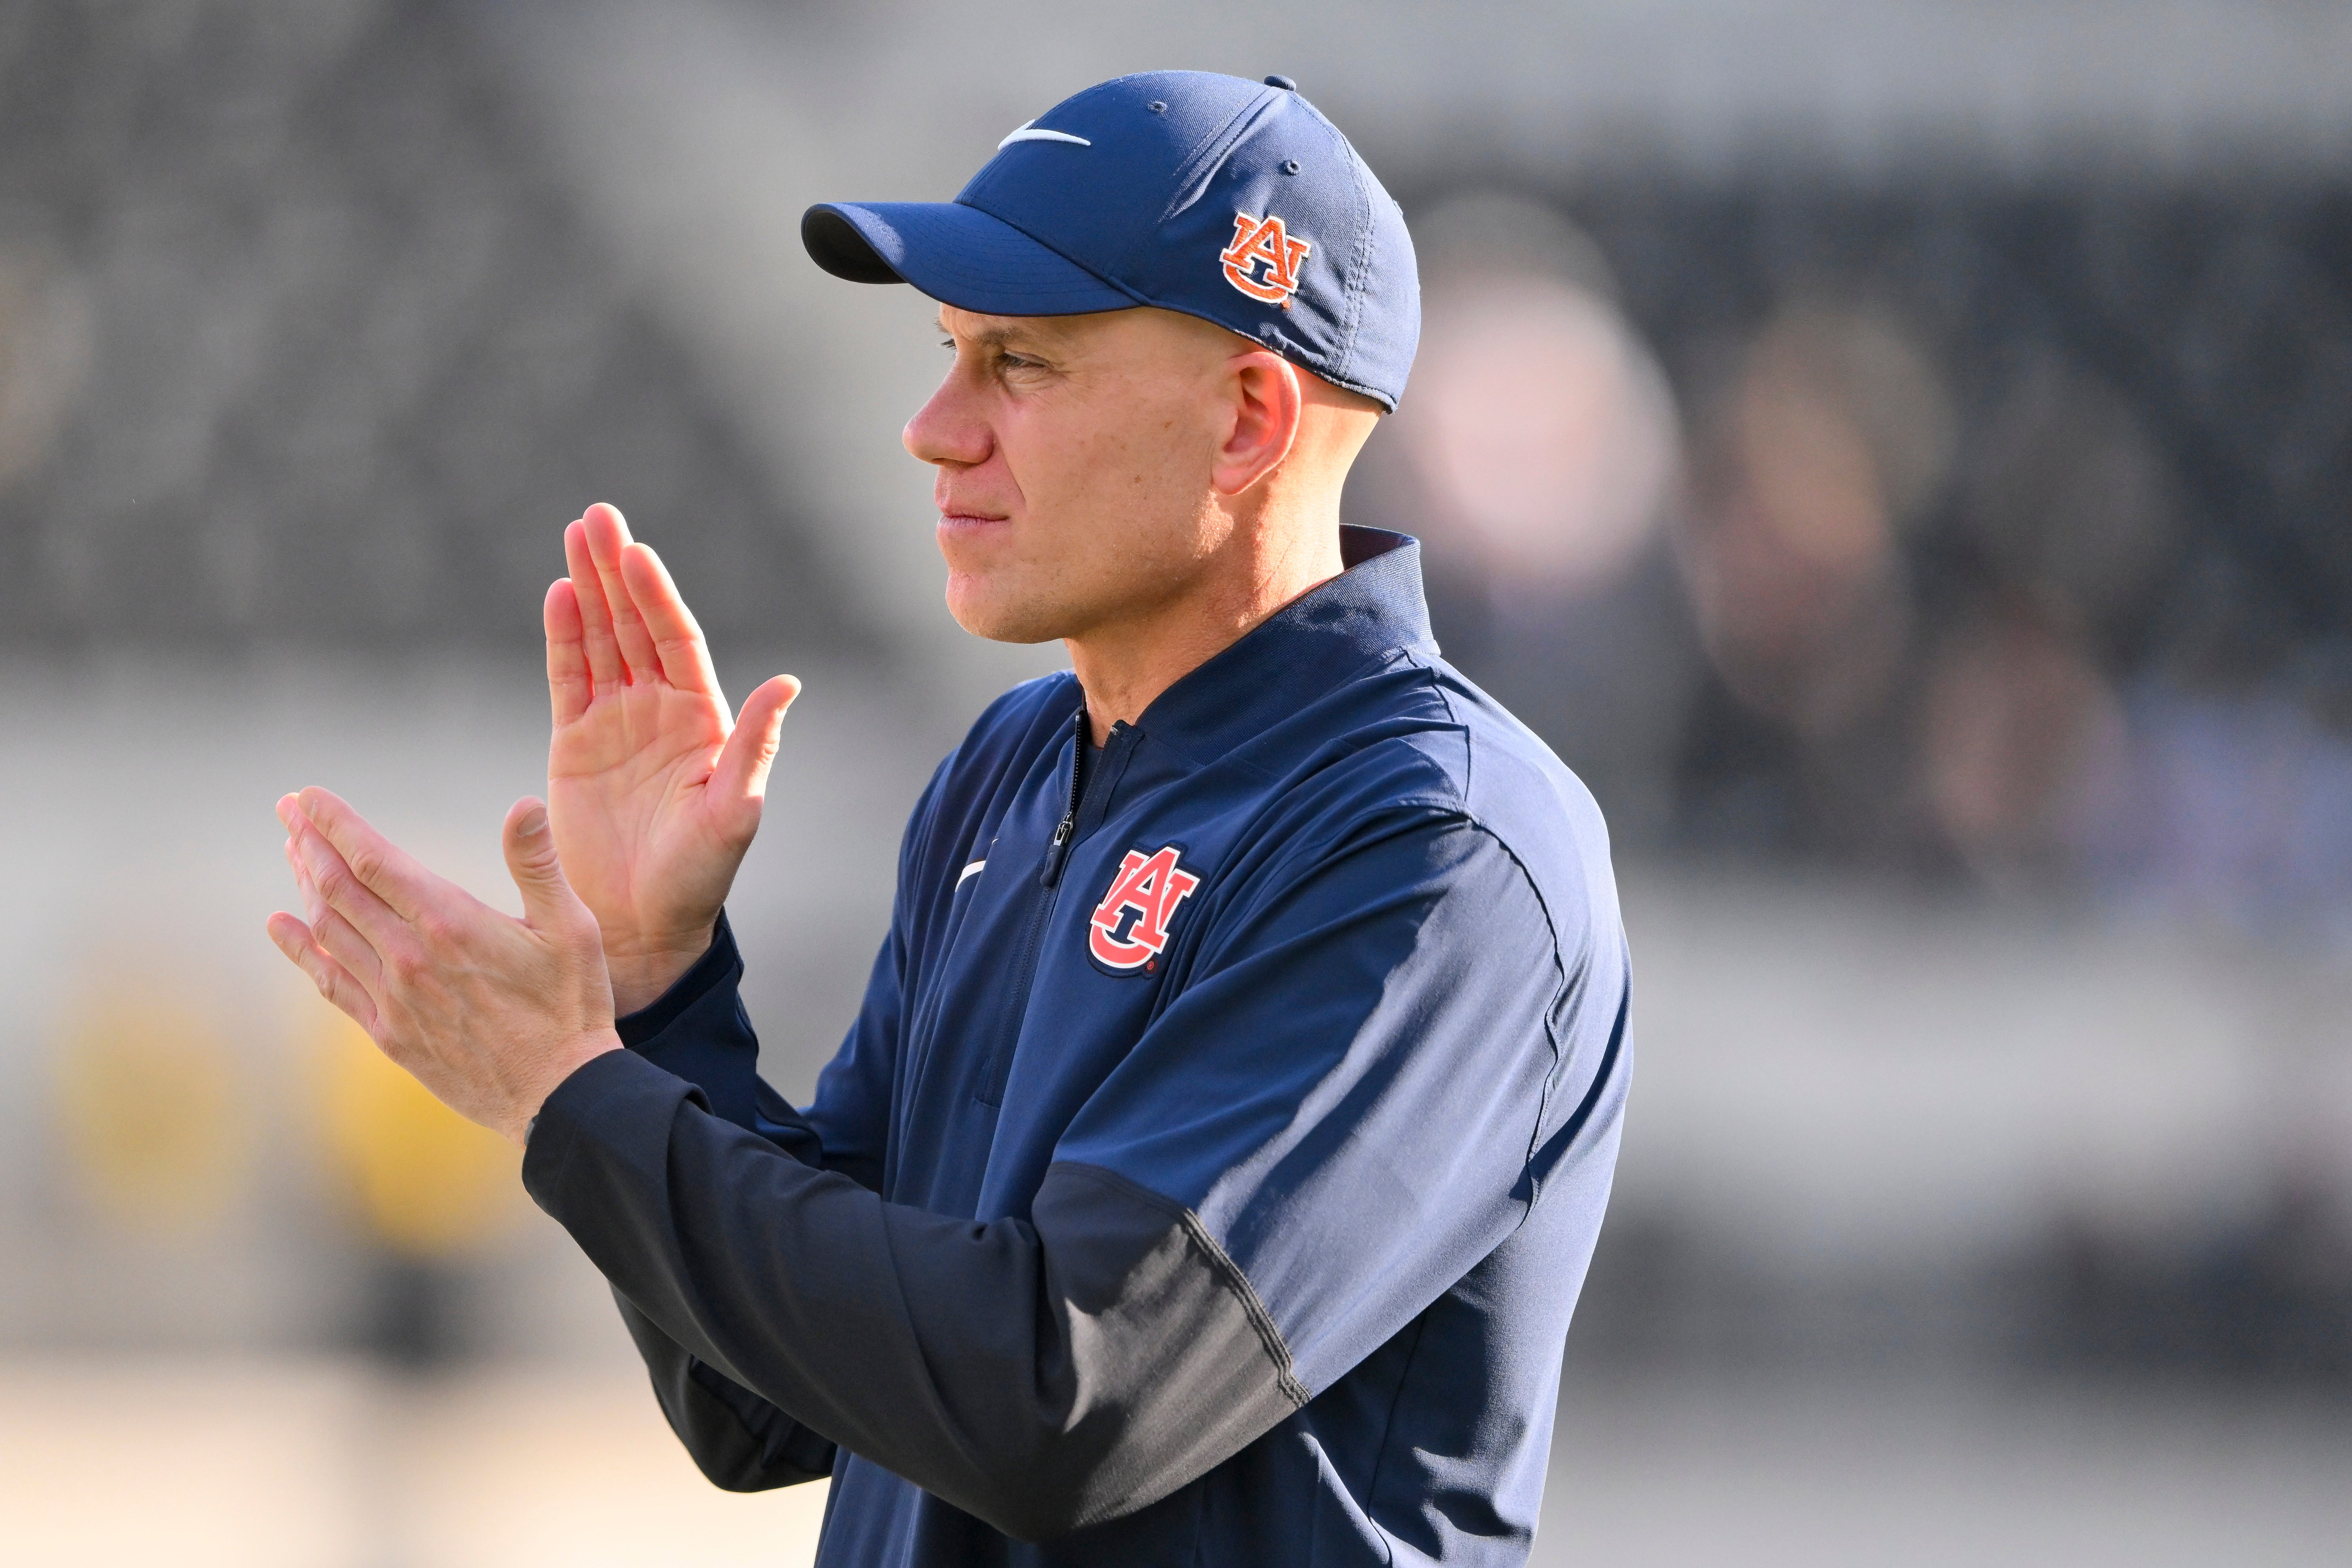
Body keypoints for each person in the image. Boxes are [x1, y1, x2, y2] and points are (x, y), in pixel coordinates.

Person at [265, 70, 1629, 1566]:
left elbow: (1067, 1397)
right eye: (947, 353)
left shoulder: (1439, 847)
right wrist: (658, 990)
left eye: (1020, 367)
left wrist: (568, 1094)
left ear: (1247, 417)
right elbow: (765, 1411)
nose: (932, 428)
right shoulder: (1015, 766)